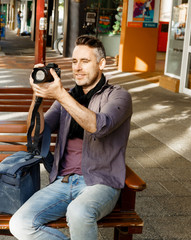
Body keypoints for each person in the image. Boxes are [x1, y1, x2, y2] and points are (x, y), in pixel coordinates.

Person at [9, 35, 133, 240]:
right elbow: (35, 134)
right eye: (74, 61)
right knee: (20, 224)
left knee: (78, 213)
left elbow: (98, 126)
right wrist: (37, 97)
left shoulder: (118, 96)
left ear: (102, 63)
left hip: (100, 183)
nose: (77, 68)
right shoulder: (68, 98)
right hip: (63, 182)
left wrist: (60, 95)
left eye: (85, 61)